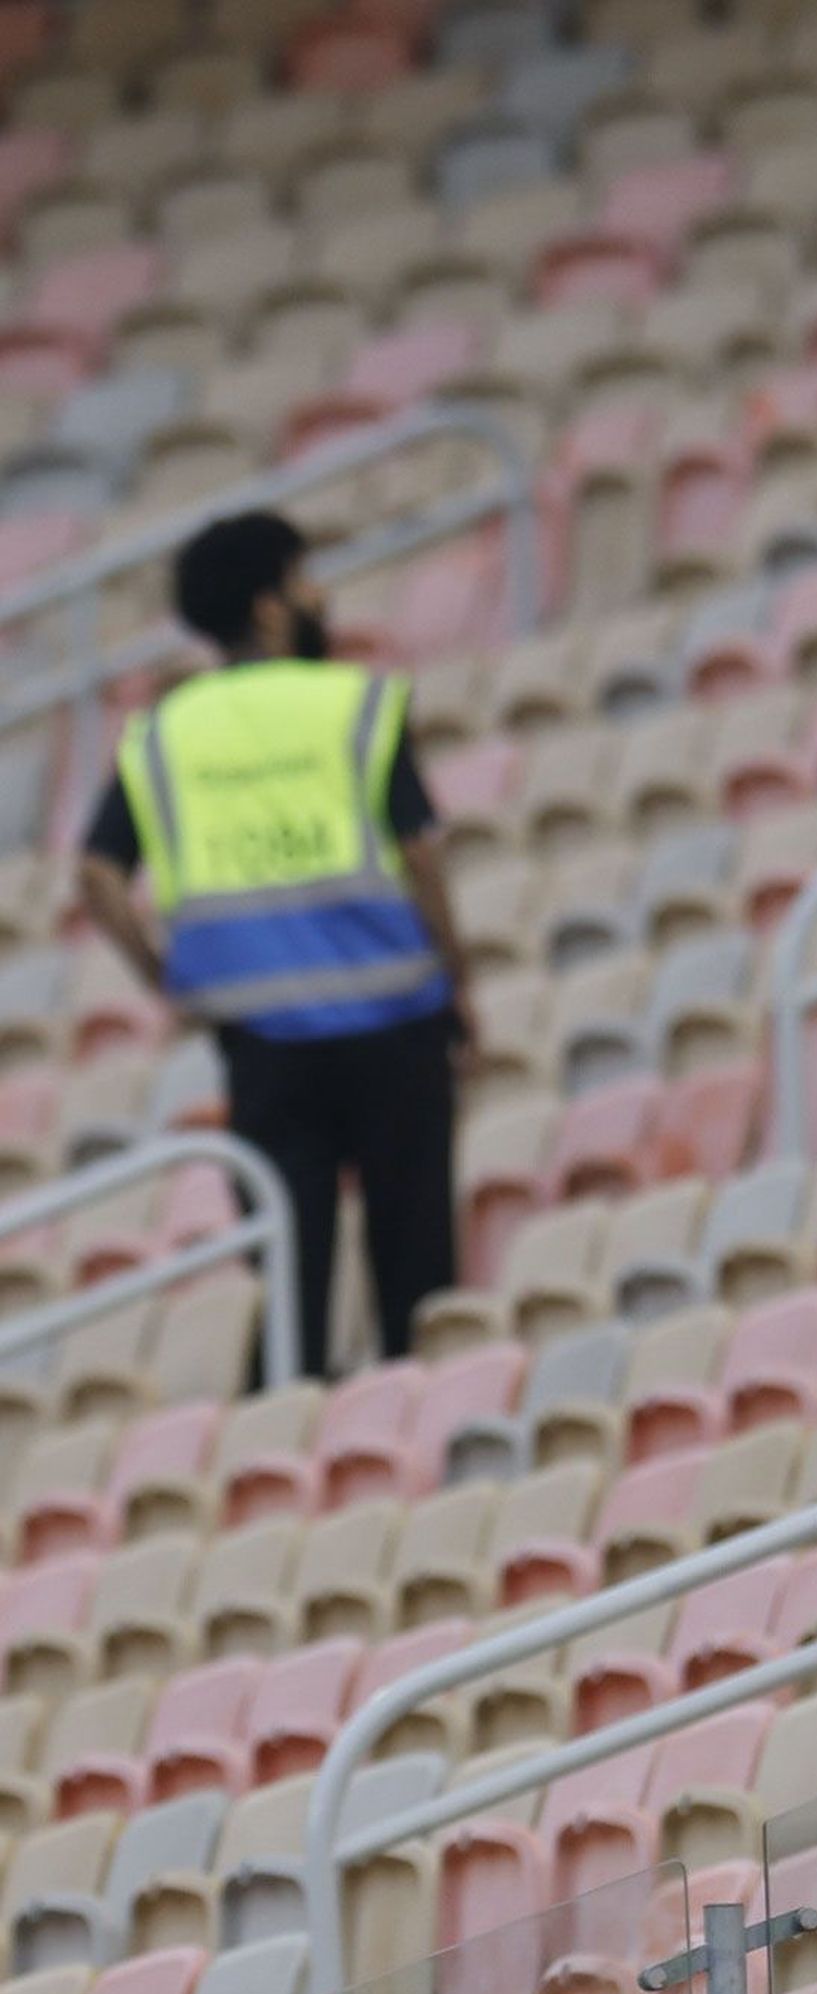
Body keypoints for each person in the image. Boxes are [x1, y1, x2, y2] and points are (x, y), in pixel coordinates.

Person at [79, 510, 475, 1379]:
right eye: (304, 579)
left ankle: (297, 1436)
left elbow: (99, 878)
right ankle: (418, 1426)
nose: (319, 596)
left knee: (289, 1267)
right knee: (414, 1266)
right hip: (392, 1021)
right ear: (268, 607)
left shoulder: (166, 731)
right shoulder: (353, 703)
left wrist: (169, 980)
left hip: (261, 1042)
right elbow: (420, 854)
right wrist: (460, 982)